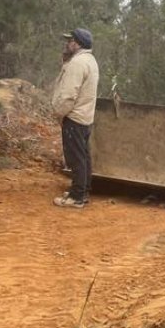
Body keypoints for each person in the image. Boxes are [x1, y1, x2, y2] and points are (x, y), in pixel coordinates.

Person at [51, 28, 99, 208]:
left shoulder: (77, 63)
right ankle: (82, 191)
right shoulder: (90, 60)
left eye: (70, 40)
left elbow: (69, 94)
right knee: (84, 157)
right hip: (85, 117)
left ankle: (76, 197)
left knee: (76, 158)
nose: (67, 43)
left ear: (77, 43)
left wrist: (60, 113)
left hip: (74, 117)